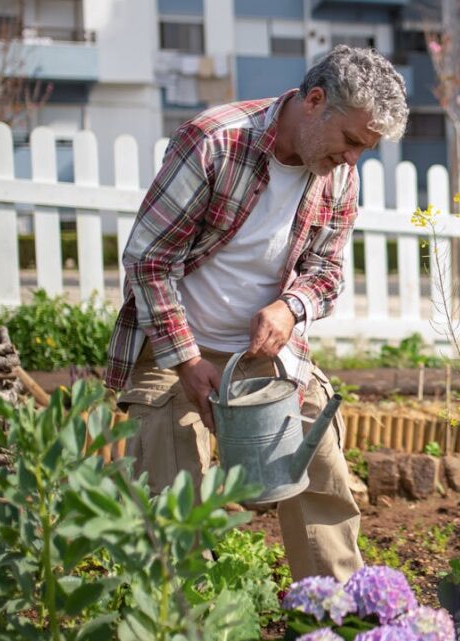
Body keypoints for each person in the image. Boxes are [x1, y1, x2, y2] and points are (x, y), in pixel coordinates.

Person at [104, 46, 408, 581]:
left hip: (266, 352)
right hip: (174, 348)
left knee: (321, 472)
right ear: (314, 102)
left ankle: (334, 616)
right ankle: (184, 618)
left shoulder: (338, 174)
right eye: (352, 142)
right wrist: (186, 361)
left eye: (367, 148)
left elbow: (327, 273)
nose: (354, 159)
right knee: (172, 499)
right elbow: (148, 261)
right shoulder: (216, 142)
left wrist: (291, 309)